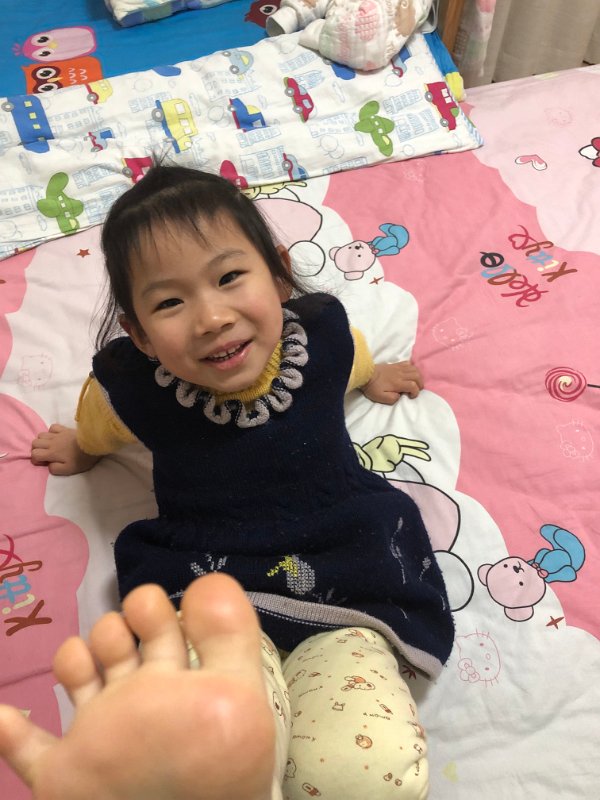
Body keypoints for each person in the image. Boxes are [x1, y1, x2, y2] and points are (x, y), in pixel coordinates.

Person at [7, 165, 453, 799]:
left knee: (361, 769)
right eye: (169, 302)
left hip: (345, 571)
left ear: (278, 275)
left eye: (229, 278)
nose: (212, 317)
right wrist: (82, 447)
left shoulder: (322, 341)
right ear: (138, 334)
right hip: (208, 585)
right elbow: (101, 424)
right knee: (209, 745)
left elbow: (350, 359)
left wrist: (372, 376)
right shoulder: (134, 390)